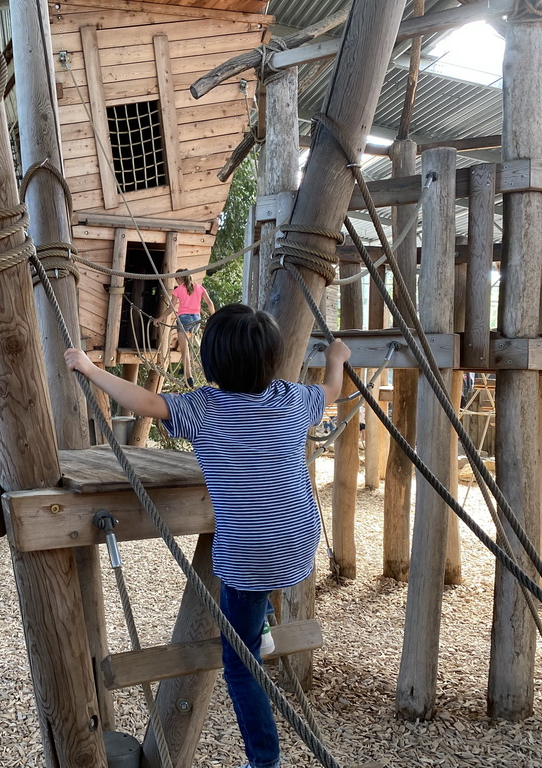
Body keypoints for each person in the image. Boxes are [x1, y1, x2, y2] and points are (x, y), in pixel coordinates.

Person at [65, 304, 350, 768]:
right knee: (259, 592)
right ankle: (261, 627)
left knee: (240, 667)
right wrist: (336, 356)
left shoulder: (203, 408)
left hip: (249, 556)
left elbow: (143, 401)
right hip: (299, 543)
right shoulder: (294, 399)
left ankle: (264, 760)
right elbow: (332, 391)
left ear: (212, 363)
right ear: (272, 360)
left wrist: (90, 367)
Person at [155, 269, 216, 388]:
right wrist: (213, 318)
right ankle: (201, 374)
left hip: (184, 321)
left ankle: (189, 377)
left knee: (184, 350)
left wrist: (159, 319)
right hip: (196, 321)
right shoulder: (199, 288)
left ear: (178, 278)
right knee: (188, 346)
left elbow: (171, 308)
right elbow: (210, 304)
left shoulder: (178, 290)